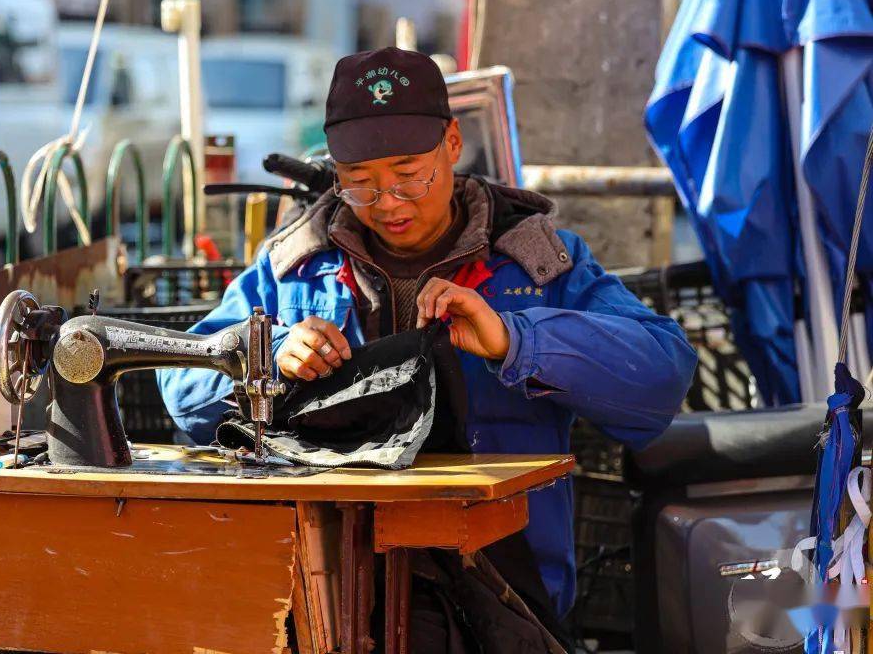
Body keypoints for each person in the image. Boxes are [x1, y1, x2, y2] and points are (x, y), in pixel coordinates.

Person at [158, 47, 697, 648]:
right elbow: (180, 381)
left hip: (506, 600)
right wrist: (270, 354)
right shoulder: (294, 268)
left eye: (409, 174)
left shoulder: (538, 264)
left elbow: (662, 375)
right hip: (324, 596)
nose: (388, 201)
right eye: (360, 182)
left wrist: (515, 339)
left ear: (453, 143)